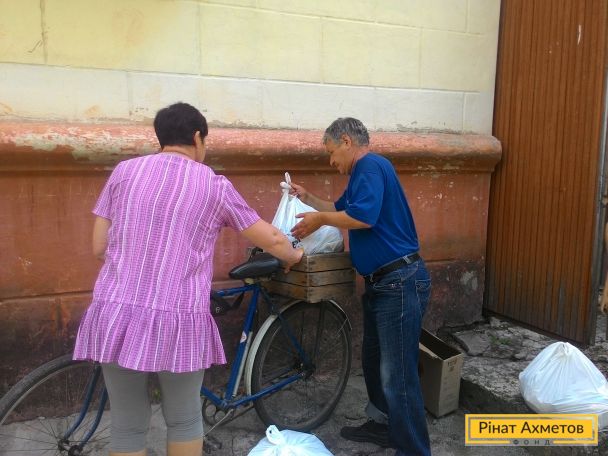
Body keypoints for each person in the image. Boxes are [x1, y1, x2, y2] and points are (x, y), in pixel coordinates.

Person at [73, 102, 303, 456]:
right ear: (198, 138)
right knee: (183, 418)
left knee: (127, 424)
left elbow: (98, 246)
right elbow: (271, 239)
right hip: (178, 318)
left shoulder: (124, 172)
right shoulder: (213, 184)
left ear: (161, 137)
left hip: (115, 313)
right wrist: (295, 256)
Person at [289, 117, 431, 456]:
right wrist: (309, 199)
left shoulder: (370, 166)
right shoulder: (362, 174)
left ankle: (413, 450)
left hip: (399, 283)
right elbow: (339, 210)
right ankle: (384, 426)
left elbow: (363, 218)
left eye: (331, 152)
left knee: (398, 374)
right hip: (382, 284)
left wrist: (320, 220)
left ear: (346, 142)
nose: (330, 161)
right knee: (373, 360)